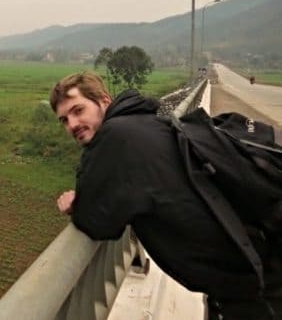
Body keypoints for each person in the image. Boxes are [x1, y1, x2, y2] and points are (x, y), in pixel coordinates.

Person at [50, 71, 281, 320]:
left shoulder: (115, 137)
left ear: (104, 100)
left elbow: (98, 221)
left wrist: (75, 204)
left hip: (255, 287)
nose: (72, 124)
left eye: (78, 110)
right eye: (64, 120)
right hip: (256, 263)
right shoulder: (143, 121)